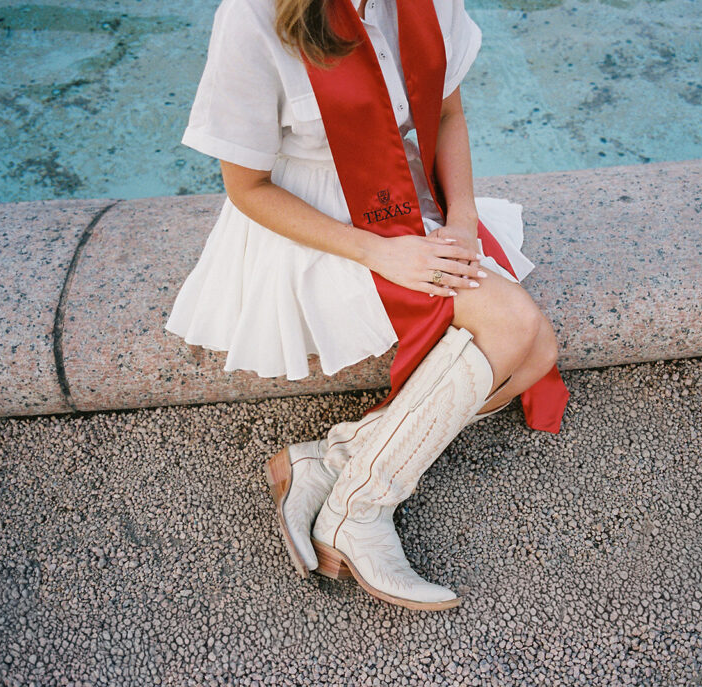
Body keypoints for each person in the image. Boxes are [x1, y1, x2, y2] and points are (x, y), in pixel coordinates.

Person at [165, 0, 570, 611]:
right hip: (311, 227)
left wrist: (461, 221)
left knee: (537, 354)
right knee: (519, 328)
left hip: (406, 200)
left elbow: (449, 114)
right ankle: (363, 510)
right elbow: (247, 189)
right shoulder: (252, 14)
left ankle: (337, 464)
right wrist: (381, 256)